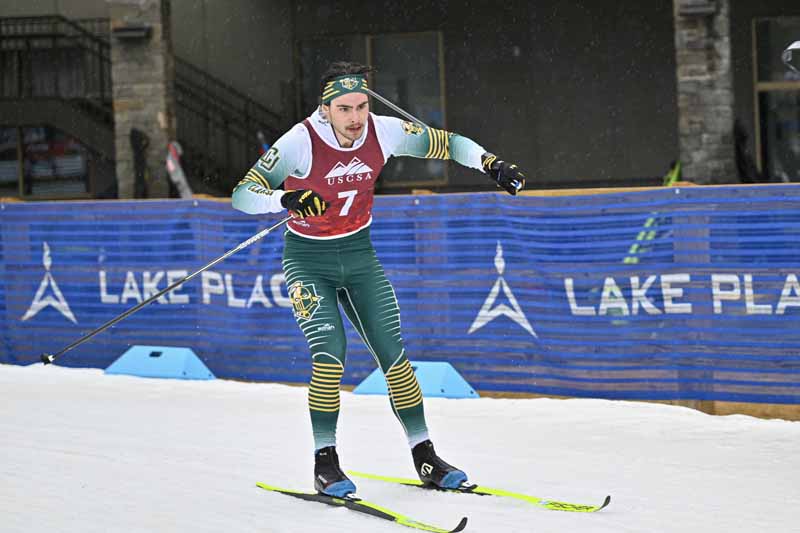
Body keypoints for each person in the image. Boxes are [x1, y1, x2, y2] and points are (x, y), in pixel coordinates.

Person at [232, 61, 526, 497]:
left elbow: (448, 144)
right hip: (308, 261)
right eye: (345, 108)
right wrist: (286, 197)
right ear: (325, 109)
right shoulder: (299, 141)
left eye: (361, 106)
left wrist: (490, 163)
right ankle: (325, 462)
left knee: (395, 356)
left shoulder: (382, 131)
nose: (355, 117)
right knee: (330, 356)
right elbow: (242, 195)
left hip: (359, 255)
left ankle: (425, 455)